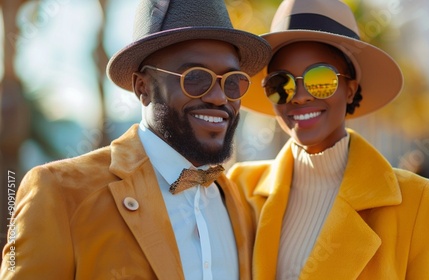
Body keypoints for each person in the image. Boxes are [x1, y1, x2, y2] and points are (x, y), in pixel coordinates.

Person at [0, 0, 270, 279]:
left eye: (233, 81)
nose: (218, 97)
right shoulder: (60, 191)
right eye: (196, 78)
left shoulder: (239, 202)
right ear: (143, 87)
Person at [228, 0, 429, 279]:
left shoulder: (415, 203)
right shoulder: (239, 190)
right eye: (281, 83)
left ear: (350, 90)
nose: (300, 96)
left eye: (320, 79)